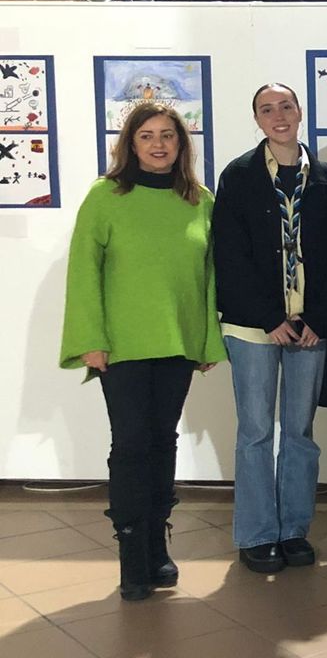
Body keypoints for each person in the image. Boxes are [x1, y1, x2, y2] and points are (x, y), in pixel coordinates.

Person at [60, 103, 225, 601]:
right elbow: (83, 270)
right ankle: (132, 553)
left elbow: (210, 277)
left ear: (181, 144)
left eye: (167, 135)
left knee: (162, 442)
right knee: (131, 445)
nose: (158, 144)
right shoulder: (106, 196)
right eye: (147, 136)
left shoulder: (199, 200)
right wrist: (90, 339)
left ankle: (156, 543)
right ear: (130, 144)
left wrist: (207, 339)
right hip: (122, 346)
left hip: (177, 343)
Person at [213, 83, 327, 574]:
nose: (278, 115)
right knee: (256, 431)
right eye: (266, 109)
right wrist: (269, 317)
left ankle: (294, 529)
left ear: (300, 113)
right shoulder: (239, 175)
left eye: (286, 106)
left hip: (310, 329)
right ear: (256, 119)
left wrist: (319, 318)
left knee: (299, 431)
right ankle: (258, 534)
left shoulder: (326, 179)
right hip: (254, 328)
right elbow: (230, 255)